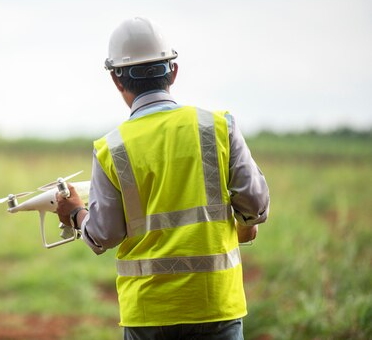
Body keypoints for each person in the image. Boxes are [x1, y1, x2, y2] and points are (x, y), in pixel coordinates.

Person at [56, 17, 270, 340]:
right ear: (173, 71)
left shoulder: (111, 149)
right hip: (217, 308)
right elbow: (255, 206)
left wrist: (74, 212)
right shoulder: (219, 127)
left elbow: (103, 235)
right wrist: (244, 221)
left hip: (148, 316)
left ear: (116, 79)